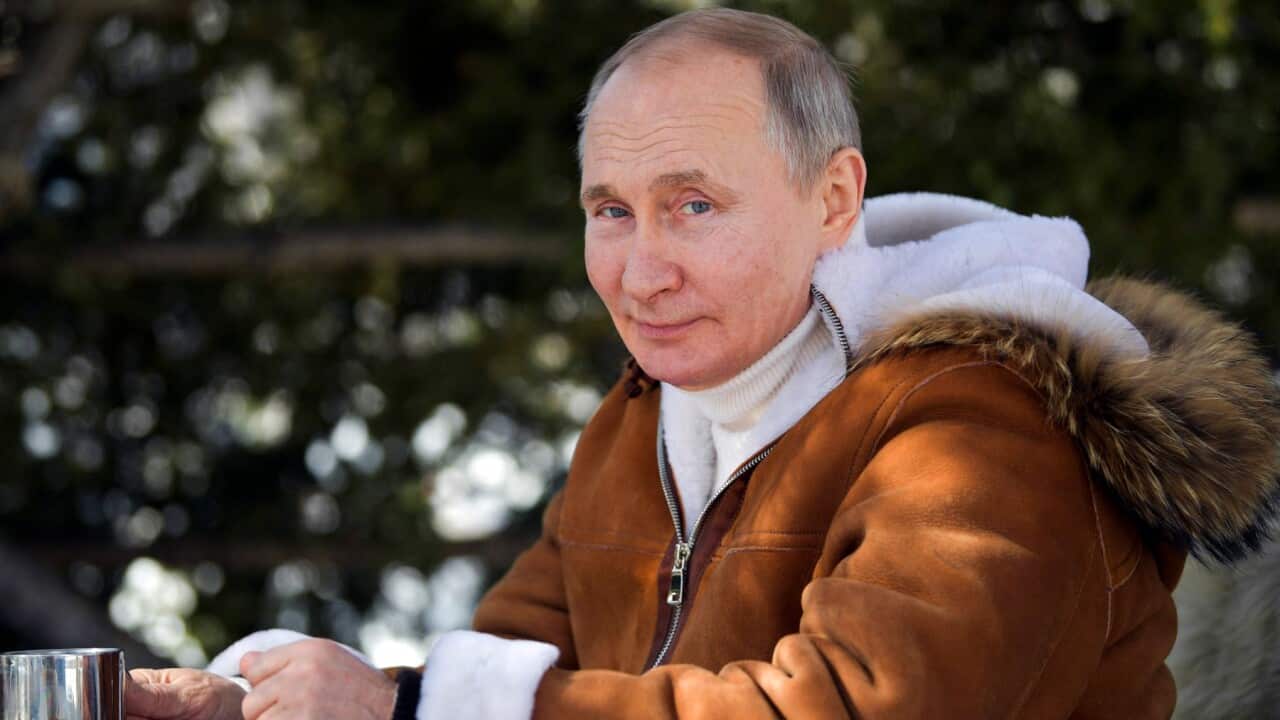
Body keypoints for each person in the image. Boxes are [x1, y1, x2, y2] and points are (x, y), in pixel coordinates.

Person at [127, 7, 1280, 719]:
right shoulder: (640, 425)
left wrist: (406, 709)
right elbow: (504, 673)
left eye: (691, 205)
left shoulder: (981, 425)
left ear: (832, 199)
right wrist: (257, 704)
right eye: (610, 211)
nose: (640, 270)